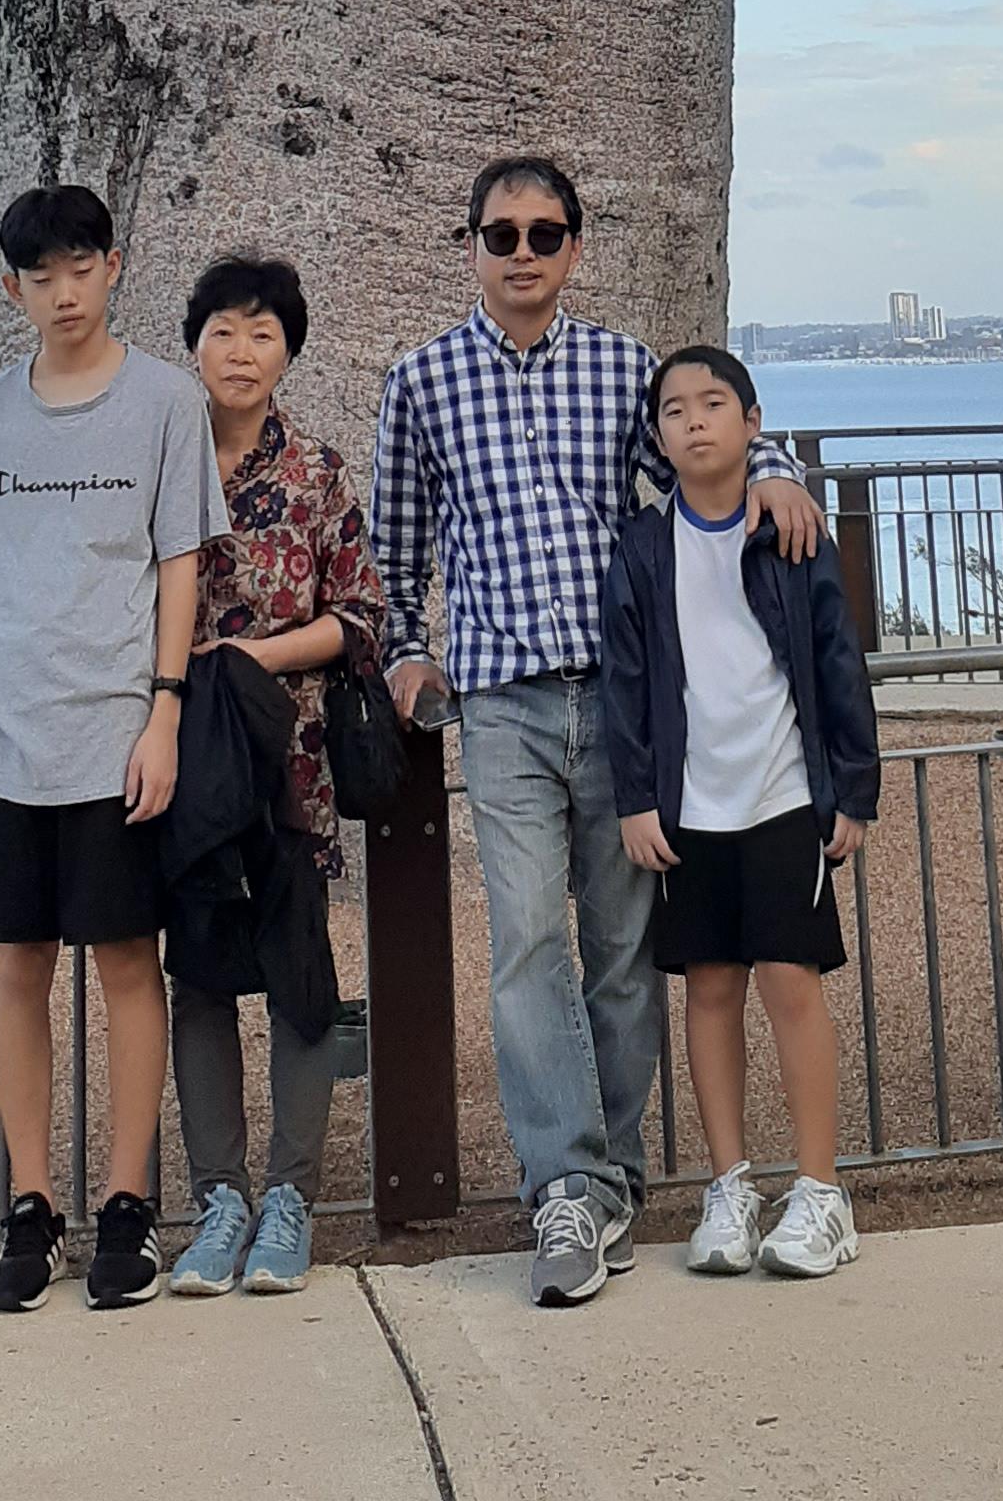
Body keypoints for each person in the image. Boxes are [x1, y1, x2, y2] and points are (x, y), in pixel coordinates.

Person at [370, 154, 825, 1306]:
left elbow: (702, 442)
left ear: (574, 247)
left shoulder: (625, 371)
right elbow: (395, 554)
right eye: (501, 234)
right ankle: (566, 1185)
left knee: (624, 955)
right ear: (471, 245)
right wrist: (407, 652)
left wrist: (776, 468)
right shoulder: (420, 381)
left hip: (627, 700)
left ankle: (615, 1179)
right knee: (528, 944)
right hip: (505, 705)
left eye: (544, 233)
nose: (522, 252)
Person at [0, 185, 223, 1317]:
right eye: (40, 275)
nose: (64, 292)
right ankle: (31, 1205)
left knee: (128, 963)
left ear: (113, 266)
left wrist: (164, 714)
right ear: (13, 289)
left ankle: (128, 1204)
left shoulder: (165, 402)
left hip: (116, 736)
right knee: (16, 967)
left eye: (81, 267)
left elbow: (181, 567)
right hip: (4, 744)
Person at [603, 345, 879, 1280]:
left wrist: (853, 787)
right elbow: (628, 683)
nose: (694, 421)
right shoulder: (643, 547)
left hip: (782, 794)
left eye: (714, 403)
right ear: (657, 436)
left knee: (790, 981)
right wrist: (636, 799)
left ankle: (821, 1192)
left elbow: (838, 658)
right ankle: (729, 1187)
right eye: (674, 410)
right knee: (710, 989)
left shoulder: (791, 531)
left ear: (752, 424)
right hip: (690, 806)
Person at [167, 255, 385, 1303]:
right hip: (185, 764)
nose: (241, 352)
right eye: (223, 330)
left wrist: (251, 659)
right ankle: (218, 1198)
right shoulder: (159, 464)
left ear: (288, 351)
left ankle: (291, 1199)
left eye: (262, 334)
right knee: (201, 977)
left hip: (291, 766)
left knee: (300, 979)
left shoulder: (317, 475)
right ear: (193, 345)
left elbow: (362, 618)